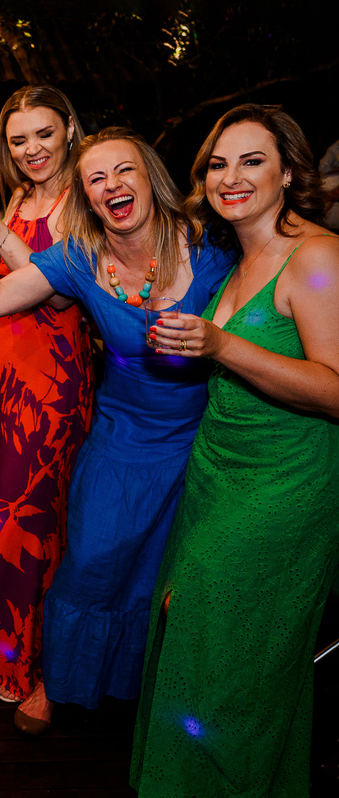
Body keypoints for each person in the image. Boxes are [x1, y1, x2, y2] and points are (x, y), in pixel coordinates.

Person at [0, 126, 235, 735]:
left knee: (167, 575)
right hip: (122, 434)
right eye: (95, 179)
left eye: (124, 171)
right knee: (92, 561)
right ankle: (59, 680)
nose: (112, 186)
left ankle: (148, 685)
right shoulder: (79, 257)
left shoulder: (213, 245)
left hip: (205, 437)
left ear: (151, 178)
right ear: (85, 197)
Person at [132, 105, 339, 797]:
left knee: (231, 658)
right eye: (219, 162)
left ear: (289, 171)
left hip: (286, 487)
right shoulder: (239, 255)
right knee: (195, 634)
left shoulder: (315, 258)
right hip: (218, 469)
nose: (232, 175)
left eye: (253, 160)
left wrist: (222, 345)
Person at [0, 86, 95, 724]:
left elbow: (60, 298)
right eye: (18, 139)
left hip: (46, 388)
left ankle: (18, 657)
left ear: (68, 132)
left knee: (21, 518)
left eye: (44, 135)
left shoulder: (78, 204)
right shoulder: (22, 195)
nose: (31, 149)